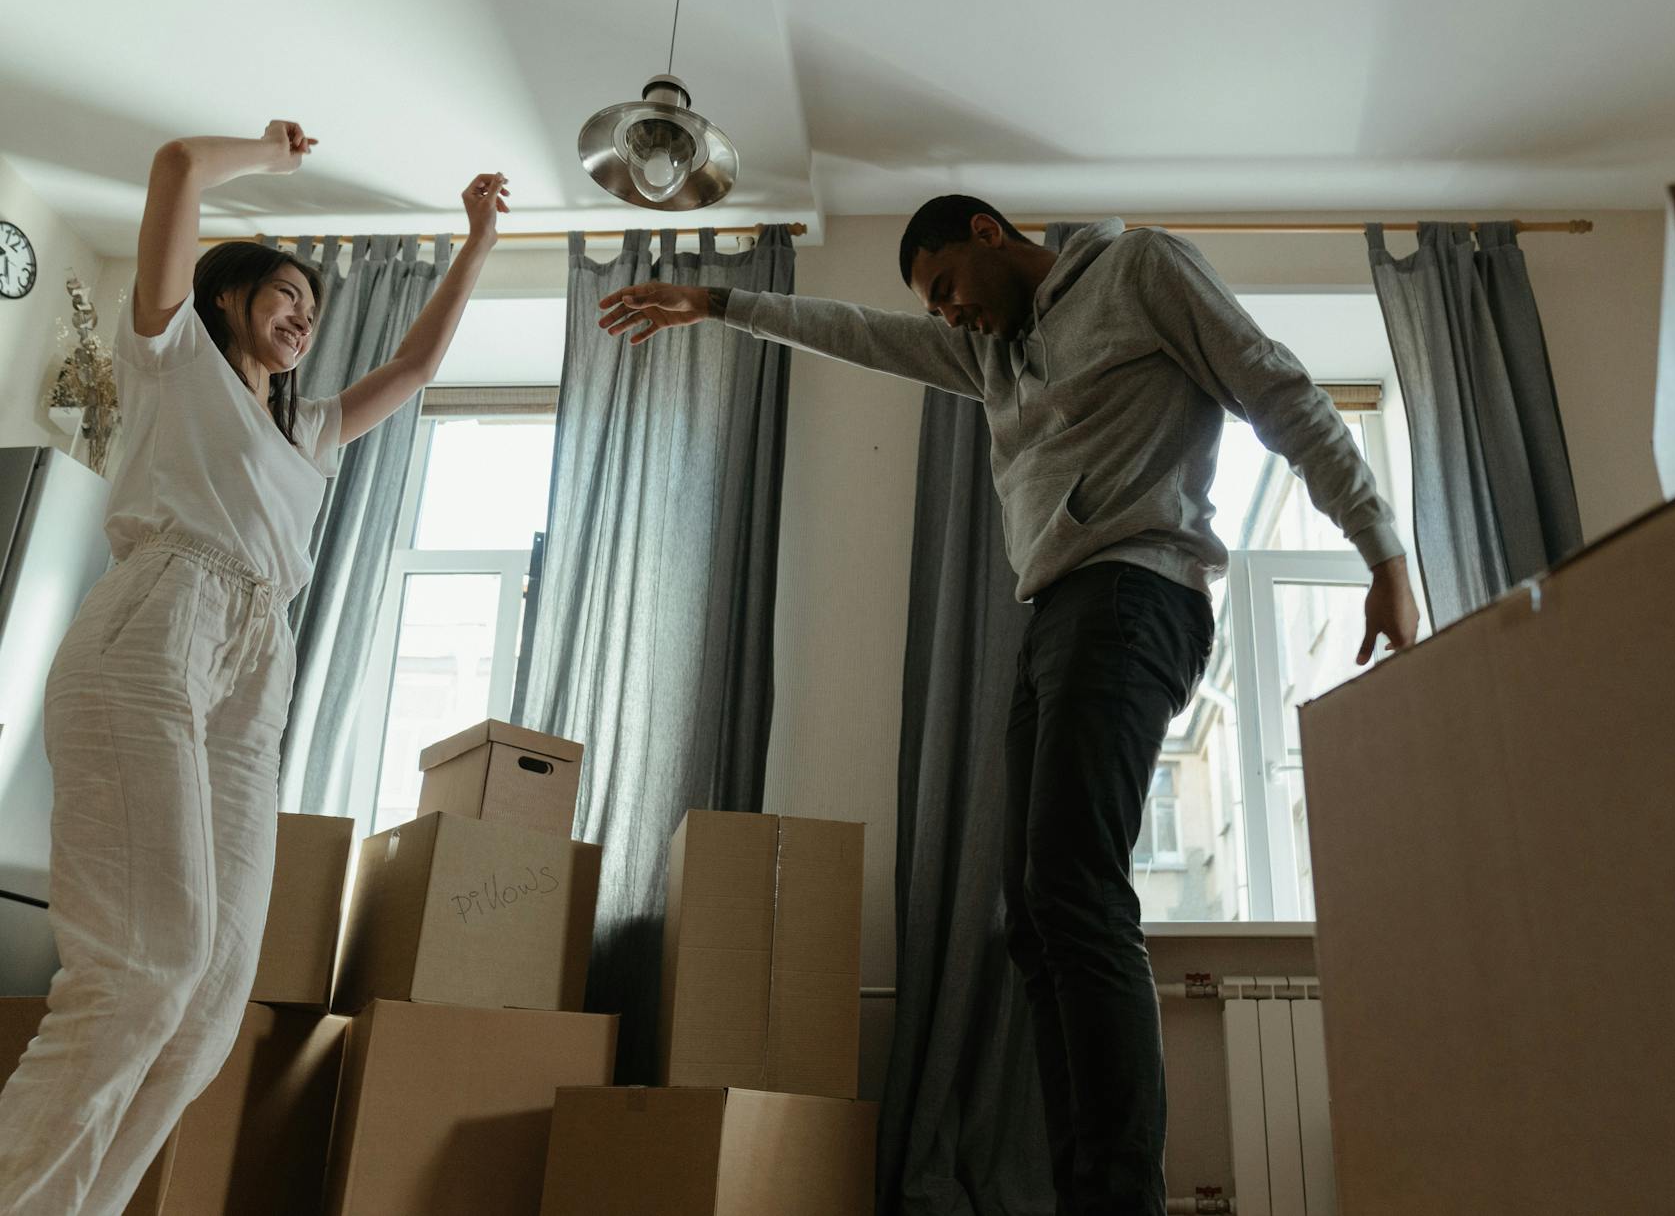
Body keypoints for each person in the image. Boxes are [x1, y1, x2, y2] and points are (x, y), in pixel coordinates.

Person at [597, 196, 1419, 1216]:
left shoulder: (1138, 273)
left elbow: (1275, 387)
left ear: (987, 235)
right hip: (1056, 617)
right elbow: (863, 334)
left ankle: (1119, 1195)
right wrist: (719, 301)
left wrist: (1380, 550)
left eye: (943, 284)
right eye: (931, 303)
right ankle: (1081, 1186)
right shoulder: (990, 356)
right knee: (1033, 916)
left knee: (1074, 888)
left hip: (1134, 593)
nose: (943, 312)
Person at [0, 120, 508, 1215]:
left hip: (253, 660)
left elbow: (416, 366)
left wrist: (474, 242)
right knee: (145, 963)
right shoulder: (170, 351)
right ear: (229, 296)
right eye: (286, 294)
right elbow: (177, 167)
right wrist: (274, 155)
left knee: (211, 999)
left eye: (316, 312)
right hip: (157, 621)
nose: (304, 318)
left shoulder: (310, 431)